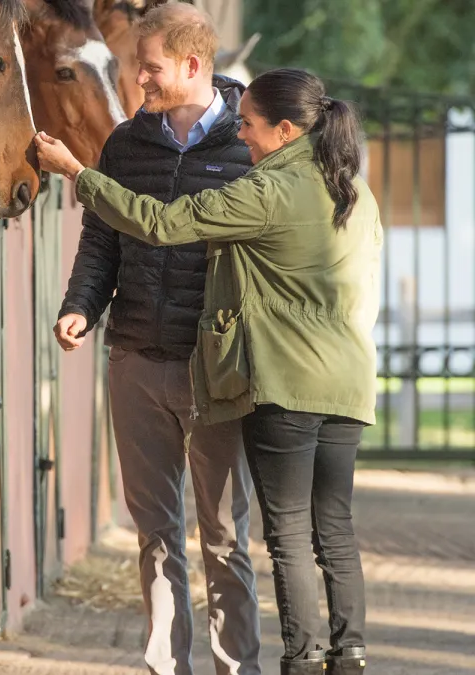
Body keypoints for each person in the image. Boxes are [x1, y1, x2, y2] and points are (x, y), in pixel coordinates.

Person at [35, 66, 379, 675]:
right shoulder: (354, 189)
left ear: (284, 130)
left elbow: (162, 223)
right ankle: (348, 657)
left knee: (287, 535)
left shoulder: (266, 190)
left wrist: (76, 173)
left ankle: (302, 661)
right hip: (348, 382)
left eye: (249, 125)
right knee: (335, 529)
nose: (241, 136)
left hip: (285, 385)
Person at [54, 4, 262, 674]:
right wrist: (81, 307)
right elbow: (100, 240)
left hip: (216, 371)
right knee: (156, 534)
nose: (137, 79)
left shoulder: (249, 145)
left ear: (192, 65)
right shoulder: (125, 144)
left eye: (149, 68)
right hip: (136, 359)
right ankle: (166, 665)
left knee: (225, 537)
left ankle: (238, 666)